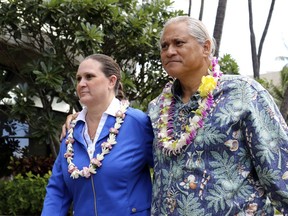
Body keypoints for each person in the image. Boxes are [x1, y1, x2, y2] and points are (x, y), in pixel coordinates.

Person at [62, 16, 288, 215]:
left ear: (206, 47)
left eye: (178, 43)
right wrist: (80, 119)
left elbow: (280, 168)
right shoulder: (157, 108)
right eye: (164, 46)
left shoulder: (243, 93)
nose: (169, 51)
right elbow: (122, 136)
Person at [42, 54, 154, 216]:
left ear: (111, 81)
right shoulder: (71, 131)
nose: (81, 84)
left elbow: (166, 172)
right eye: (78, 78)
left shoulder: (138, 123)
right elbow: (58, 190)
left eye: (89, 77)